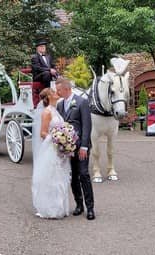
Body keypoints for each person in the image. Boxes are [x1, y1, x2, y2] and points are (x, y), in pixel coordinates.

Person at [55, 78, 95, 220]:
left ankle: (90, 208)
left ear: (66, 89)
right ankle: (79, 205)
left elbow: (87, 125)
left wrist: (84, 146)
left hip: (81, 146)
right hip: (68, 147)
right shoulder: (59, 105)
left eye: (58, 90)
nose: (57, 92)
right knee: (73, 178)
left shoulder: (81, 102)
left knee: (84, 175)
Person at [31, 88, 71, 219]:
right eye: (53, 93)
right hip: (51, 149)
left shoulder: (56, 111)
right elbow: (42, 133)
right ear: (48, 97)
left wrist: (65, 138)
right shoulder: (47, 112)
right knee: (52, 178)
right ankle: (51, 209)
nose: (56, 94)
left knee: (60, 178)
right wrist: (57, 138)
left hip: (60, 150)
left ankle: (60, 207)